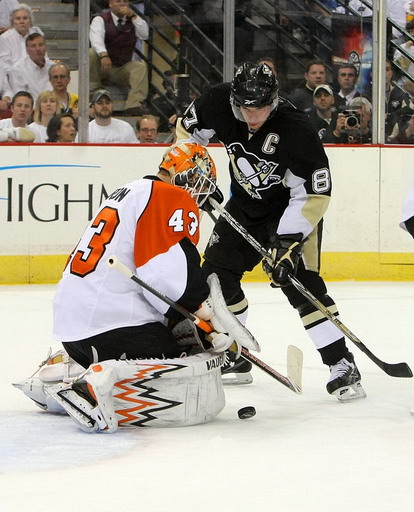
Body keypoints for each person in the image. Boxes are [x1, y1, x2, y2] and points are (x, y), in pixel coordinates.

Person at [14, 142, 258, 432]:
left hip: (74, 330)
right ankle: (97, 380)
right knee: (184, 362)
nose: (198, 200)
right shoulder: (170, 196)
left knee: (178, 336)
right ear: (190, 176)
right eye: (200, 186)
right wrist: (206, 318)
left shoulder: (130, 191)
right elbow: (166, 276)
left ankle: (66, 368)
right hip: (113, 327)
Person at [175, 62, 366, 401]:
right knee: (216, 277)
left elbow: (314, 191)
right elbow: (187, 134)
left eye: (261, 106)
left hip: (291, 210)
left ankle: (341, 362)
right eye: (247, 106)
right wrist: (194, 170)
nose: (254, 115)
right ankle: (236, 351)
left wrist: (289, 241)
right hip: (245, 206)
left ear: (274, 99)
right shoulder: (216, 102)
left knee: (299, 284)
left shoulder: (296, 129)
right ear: (235, 98)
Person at [89, 0, 149, 116]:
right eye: (118, 1)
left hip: (120, 67)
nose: (122, 4)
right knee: (91, 53)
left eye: (125, 1)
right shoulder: (101, 19)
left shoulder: (133, 20)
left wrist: (133, 16)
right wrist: (104, 55)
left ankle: (133, 105)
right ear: (110, 4)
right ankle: (94, 90)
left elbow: (144, 34)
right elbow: (96, 40)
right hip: (101, 66)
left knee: (140, 67)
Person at [8, 33, 52, 102]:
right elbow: (20, 98)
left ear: (46, 47)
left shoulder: (54, 68)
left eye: (40, 45)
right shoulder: (17, 69)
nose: (38, 49)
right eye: (33, 46)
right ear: (27, 50)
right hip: (30, 110)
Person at [0, 3, 43, 73]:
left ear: (30, 21)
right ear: (12, 21)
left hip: (36, 74)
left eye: (25, 18)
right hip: (13, 77)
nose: (22, 21)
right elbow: (4, 64)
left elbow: (43, 58)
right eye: (18, 18)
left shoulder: (37, 35)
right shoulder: (4, 38)